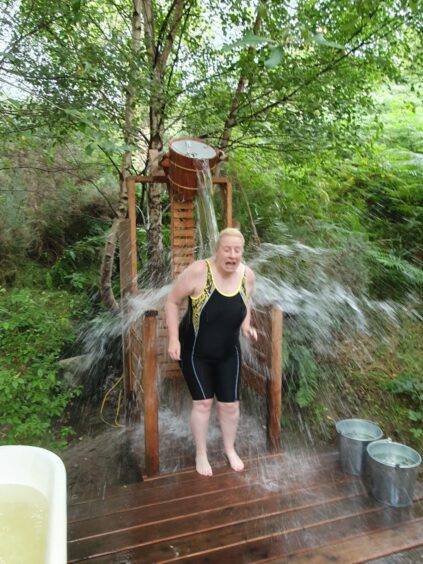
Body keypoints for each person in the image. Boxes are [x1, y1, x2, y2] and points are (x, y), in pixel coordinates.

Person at [165, 227, 257, 477]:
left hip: (229, 352)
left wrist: (247, 326)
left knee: (230, 406)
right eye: (227, 249)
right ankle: (201, 453)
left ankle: (229, 448)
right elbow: (172, 301)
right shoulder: (199, 272)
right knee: (204, 403)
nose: (232, 255)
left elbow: (246, 301)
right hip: (196, 351)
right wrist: (173, 339)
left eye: (237, 250)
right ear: (217, 250)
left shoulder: (247, 276)